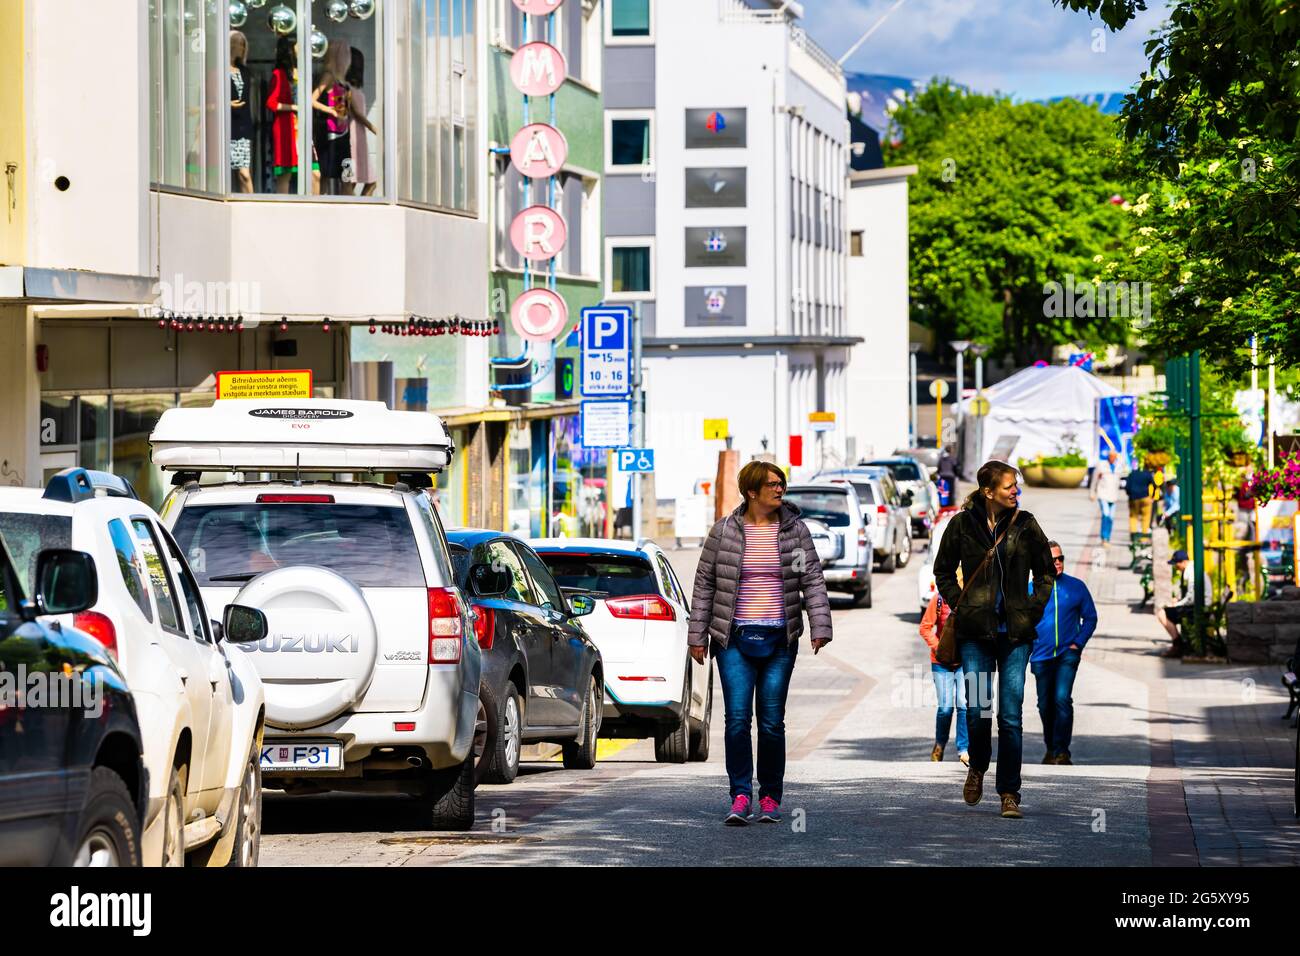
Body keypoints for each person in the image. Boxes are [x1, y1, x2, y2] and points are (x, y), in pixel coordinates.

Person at [688, 460, 832, 826]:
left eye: (781, 483)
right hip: (733, 638)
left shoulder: (794, 533)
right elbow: (705, 584)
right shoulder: (725, 533)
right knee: (736, 720)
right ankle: (739, 795)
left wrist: (819, 625)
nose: (779, 489)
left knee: (770, 722)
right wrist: (697, 636)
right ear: (752, 492)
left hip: (780, 640)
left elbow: (811, 579)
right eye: (772, 484)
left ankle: (769, 796)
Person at [933, 460, 1056, 819]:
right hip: (975, 634)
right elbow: (943, 570)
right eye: (1008, 487)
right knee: (977, 710)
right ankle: (978, 766)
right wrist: (961, 603)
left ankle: (1009, 793)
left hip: (1015, 635)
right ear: (988, 492)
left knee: (1011, 716)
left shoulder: (1026, 524)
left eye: (1015, 486)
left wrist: (1031, 609)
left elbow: (1046, 571)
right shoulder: (962, 524)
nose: (1015, 491)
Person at [1029, 541, 1097, 765]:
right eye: (1053, 559)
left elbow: (1090, 618)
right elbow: (1019, 621)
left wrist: (1078, 644)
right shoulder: (1031, 589)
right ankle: (1051, 747)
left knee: (1062, 699)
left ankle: (1062, 751)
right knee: (1044, 704)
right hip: (1040, 656)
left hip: (1068, 654)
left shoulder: (1076, 586)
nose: (1057, 563)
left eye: (1061, 559)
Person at [919, 591, 969, 765]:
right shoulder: (940, 599)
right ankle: (939, 745)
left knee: (963, 703)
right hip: (941, 663)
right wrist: (939, 647)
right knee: (946, 708)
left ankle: (963, 749)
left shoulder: (971, 598)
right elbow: (925, 627)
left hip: (963, 662)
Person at [1155, 549, 1213, 657]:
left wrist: (1176, 605)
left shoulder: (1192, 573)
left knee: (1162, 614)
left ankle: (1178, 645)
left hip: (1197, 608)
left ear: (1184, 562)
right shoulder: (1190, 570)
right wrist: (1177, 600)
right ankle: (1179, 644)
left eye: (1177, 564)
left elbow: (1191, 598)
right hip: (1198, 606)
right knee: (1165, 611)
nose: (1176, 567)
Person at [345, 48, 379, 196]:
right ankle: (349, 209)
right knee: (351, 179)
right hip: (352, 135)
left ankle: (358, 207)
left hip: (360, 136)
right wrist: (373, 128)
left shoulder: (354, 87)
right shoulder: (347, 87)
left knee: (370, 180)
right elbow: (356, 114)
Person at [229, 31, 254, 194]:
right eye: (238, 43)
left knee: (244, 174)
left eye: (243, 44)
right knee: (224, 174)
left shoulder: (244, 71)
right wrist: (227, 104)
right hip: (226, 125)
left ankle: (252, 206)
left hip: (242, 126)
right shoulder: (218, 70)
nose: (241, 47)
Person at [1090, 450, 1124, 546]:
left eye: (1115, 457)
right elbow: (1094, 480)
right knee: (1106, 514)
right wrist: (1092, 493)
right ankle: (1104, 537)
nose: (1113, 458)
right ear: (1109, 456)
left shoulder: (1118, 467)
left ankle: (1108, 537)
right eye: (1111, 456)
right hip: (1103, 494)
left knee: (1111, 517)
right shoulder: (1101, 465)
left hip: (1113, 496)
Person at [1124, 459, 1157, 536]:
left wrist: (1129, 495)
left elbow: (1127, 486)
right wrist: (1152, 496)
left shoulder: (1132, 474)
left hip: (1133, 498)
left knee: (1133, 517)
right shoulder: (1147, 474)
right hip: (1145, 497)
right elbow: (1155, 485)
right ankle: (1144, 535)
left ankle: (1134, 535)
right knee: (1146, 516)